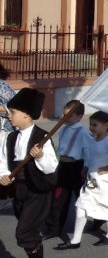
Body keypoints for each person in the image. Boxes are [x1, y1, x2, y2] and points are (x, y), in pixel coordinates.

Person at [56, 111, 108, 249]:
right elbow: (90, 156)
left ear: (106, 125)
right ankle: (76, 240)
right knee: (81, 204)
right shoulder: (93, 140)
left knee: (107, 205)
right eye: (90, 124)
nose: (92, 127)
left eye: (95, 125)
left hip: (106, 180)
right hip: (92, 179)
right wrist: (86, 167)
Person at [0, 88, 56, 258]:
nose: (9, 116)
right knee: (29, 234)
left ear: (26, 114)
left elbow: (51, 167)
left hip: (37, 192)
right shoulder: (9, 137)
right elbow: (3, 161)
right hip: (19, 191)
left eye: (13, 112)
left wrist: (40, 156)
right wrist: (4, 175)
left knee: (24, 234)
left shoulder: (42, 137)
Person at [45, 100, 91, 241]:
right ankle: (55, 228)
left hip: (77, 167)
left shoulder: (83, 132)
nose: (65, 119)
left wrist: (86, 168)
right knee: (58, 198)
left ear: (80, 116)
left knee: (83, 199)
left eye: (69, 116)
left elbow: (88, 152)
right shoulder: (63, 128)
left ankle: (98, 219)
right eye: (64, 115)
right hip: (63, 166)